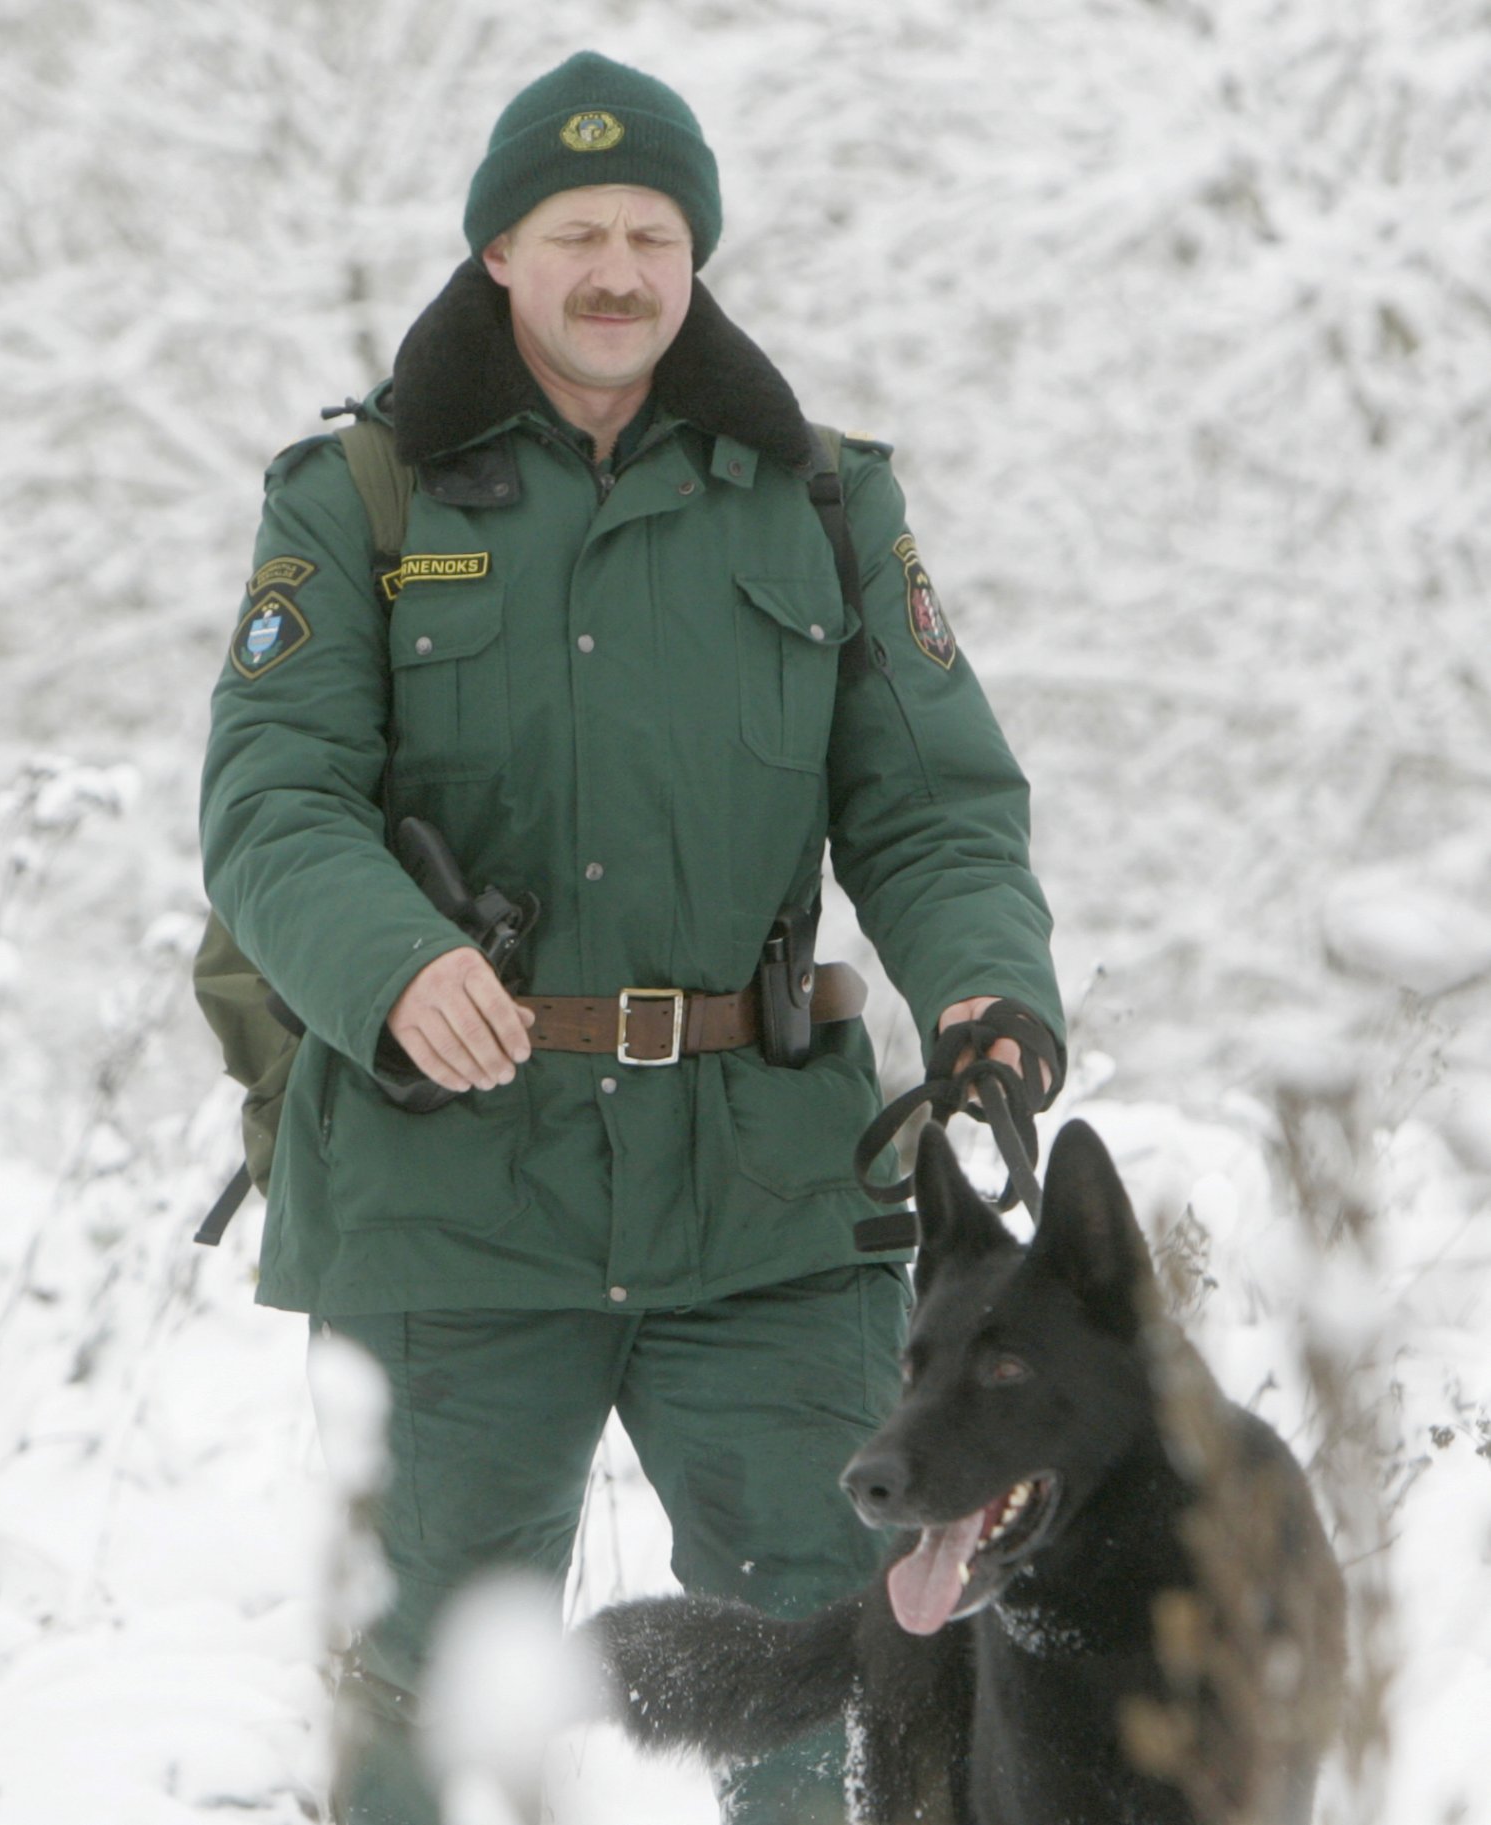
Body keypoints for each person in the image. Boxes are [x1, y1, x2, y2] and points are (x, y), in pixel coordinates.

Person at [198, 52, 1061, 1825]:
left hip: (761, 1188)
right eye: (575, 229)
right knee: (425, 1671)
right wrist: (394, 962)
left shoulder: (820, 497)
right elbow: (272, 802)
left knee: (835, 1639)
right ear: (500, 252)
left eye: (653, 232)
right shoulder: (356, 500)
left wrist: (982, 984)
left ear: (696, 256)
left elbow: (933, 800)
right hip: (449, 1186)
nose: (616, 267)